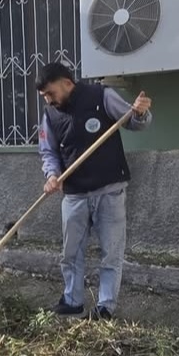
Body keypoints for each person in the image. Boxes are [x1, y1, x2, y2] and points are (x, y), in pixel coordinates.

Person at [36, 62, 152, 320]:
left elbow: (133, 120)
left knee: (111, 252)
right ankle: (72, 300)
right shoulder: (50, 115)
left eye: (50, 93)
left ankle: (105, 307)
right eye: (44, 96)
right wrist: (52, 175)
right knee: (70, 253)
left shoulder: (101, 96)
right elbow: (48, 152)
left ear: (67, 83)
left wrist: (140, 114)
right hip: (74, 194)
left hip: (109, 191)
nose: (48, 99)